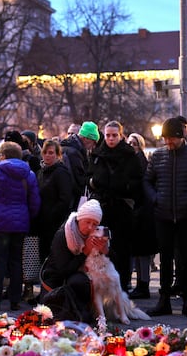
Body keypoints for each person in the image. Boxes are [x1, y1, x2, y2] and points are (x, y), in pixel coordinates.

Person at [143, 117, 187, 317]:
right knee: (165, 259)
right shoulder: (157, 156)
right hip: (163, 215)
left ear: (181, 136)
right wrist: (155, 198)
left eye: (171, 138)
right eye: (165, 138)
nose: (168, 142)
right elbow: (147, 181)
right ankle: (164, 300)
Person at [88, 120, 143, 291]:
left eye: (114, 135)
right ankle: (101, 285)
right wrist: (94, 183)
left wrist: (124, 187)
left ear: (120, 135)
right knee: (100, 248)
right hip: (102, 207)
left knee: (122, 248)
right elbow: (89, 176)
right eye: (108, 135)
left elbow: (137, 181)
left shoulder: (129, 155)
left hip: (121, 207)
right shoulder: (97, 154)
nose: (111, 139)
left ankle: (123, 284)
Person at [0, 141, 41, 311]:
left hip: (0, 223)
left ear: (4, 155)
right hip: (20, 224)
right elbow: (35, 201)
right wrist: (27, 216)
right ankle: (15, 300)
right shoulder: (29, 174)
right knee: (16, 262)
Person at [41, 199, 110, 324]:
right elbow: (63, 270)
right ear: (79, 219)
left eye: (94, 224)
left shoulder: (96, 234)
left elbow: (112, 261)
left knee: (86, 282)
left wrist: (104, 250)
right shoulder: (64, 235)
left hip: (78, 274)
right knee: (80, 282)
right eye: (87, 222)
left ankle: (83, 310)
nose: (90, 227)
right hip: (56, 279)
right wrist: (85, 252)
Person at [127, 133, 157, 300]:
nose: (131, 145)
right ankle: (141, 284)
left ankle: (143, 285)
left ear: (140, 146)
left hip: (142, 212)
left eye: (135, 143)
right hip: (140, 211)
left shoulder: (139, 161)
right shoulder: (137, 160)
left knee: (142, 252)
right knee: (139, 252)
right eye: (129, 143)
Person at [35, 139, 73, 264]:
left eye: (51, 153)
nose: (47, 155)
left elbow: (65, 198)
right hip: (42, 222)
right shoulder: (41, 172)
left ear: (58, 155)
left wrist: (52, 215)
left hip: (55, 222)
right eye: (45, 152)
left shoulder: (61, 172)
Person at [60, 121, 99, 203]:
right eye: (94, 142)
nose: (93, 146)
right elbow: (78, 181)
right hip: (70, 200)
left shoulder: (67, 147)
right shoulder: (74, 153)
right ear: (86, 138)